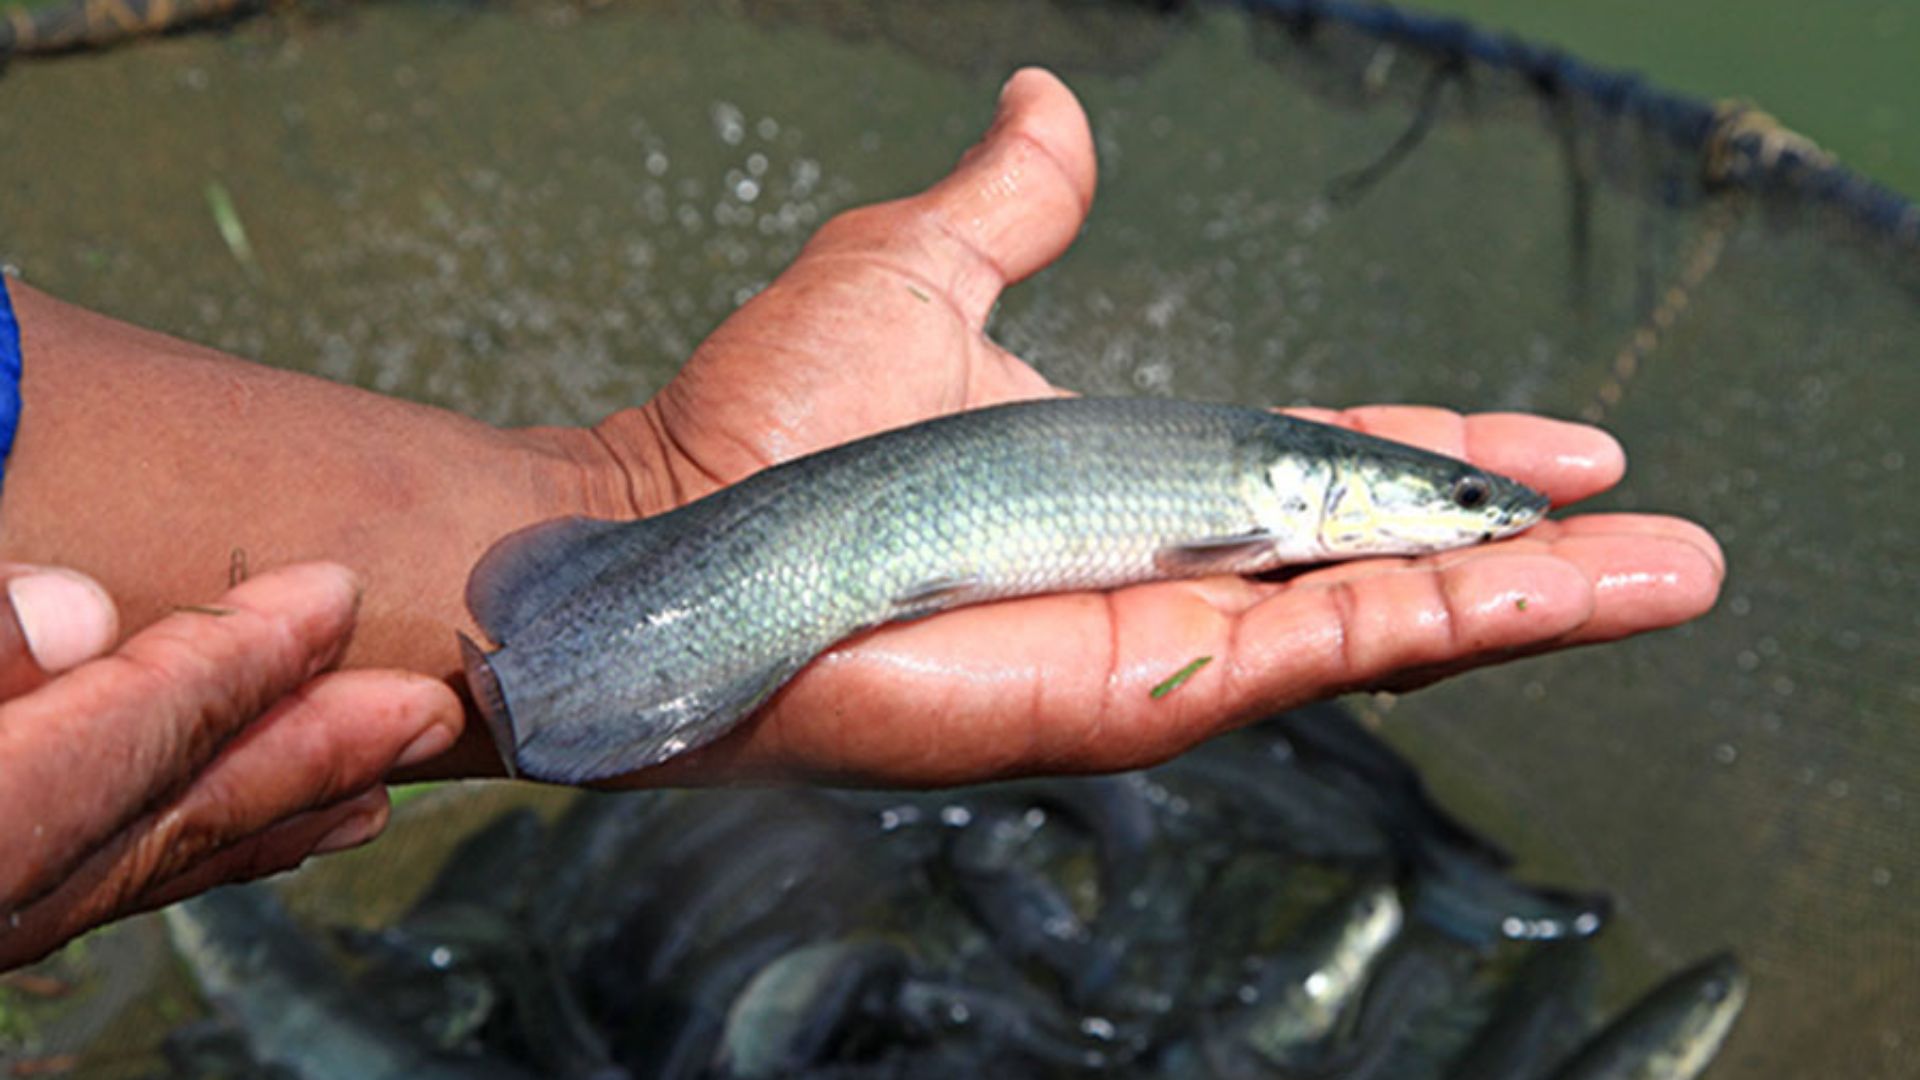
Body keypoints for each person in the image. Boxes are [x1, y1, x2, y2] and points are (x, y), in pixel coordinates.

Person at [0, 69, 1723, 969]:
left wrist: (621, 506)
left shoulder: (1265, 496)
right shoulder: (1250, 495)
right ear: (1319, 490)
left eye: (1468, 513)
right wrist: (625, 511)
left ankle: (603, 597)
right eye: (1450, 504)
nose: (1466, 522)